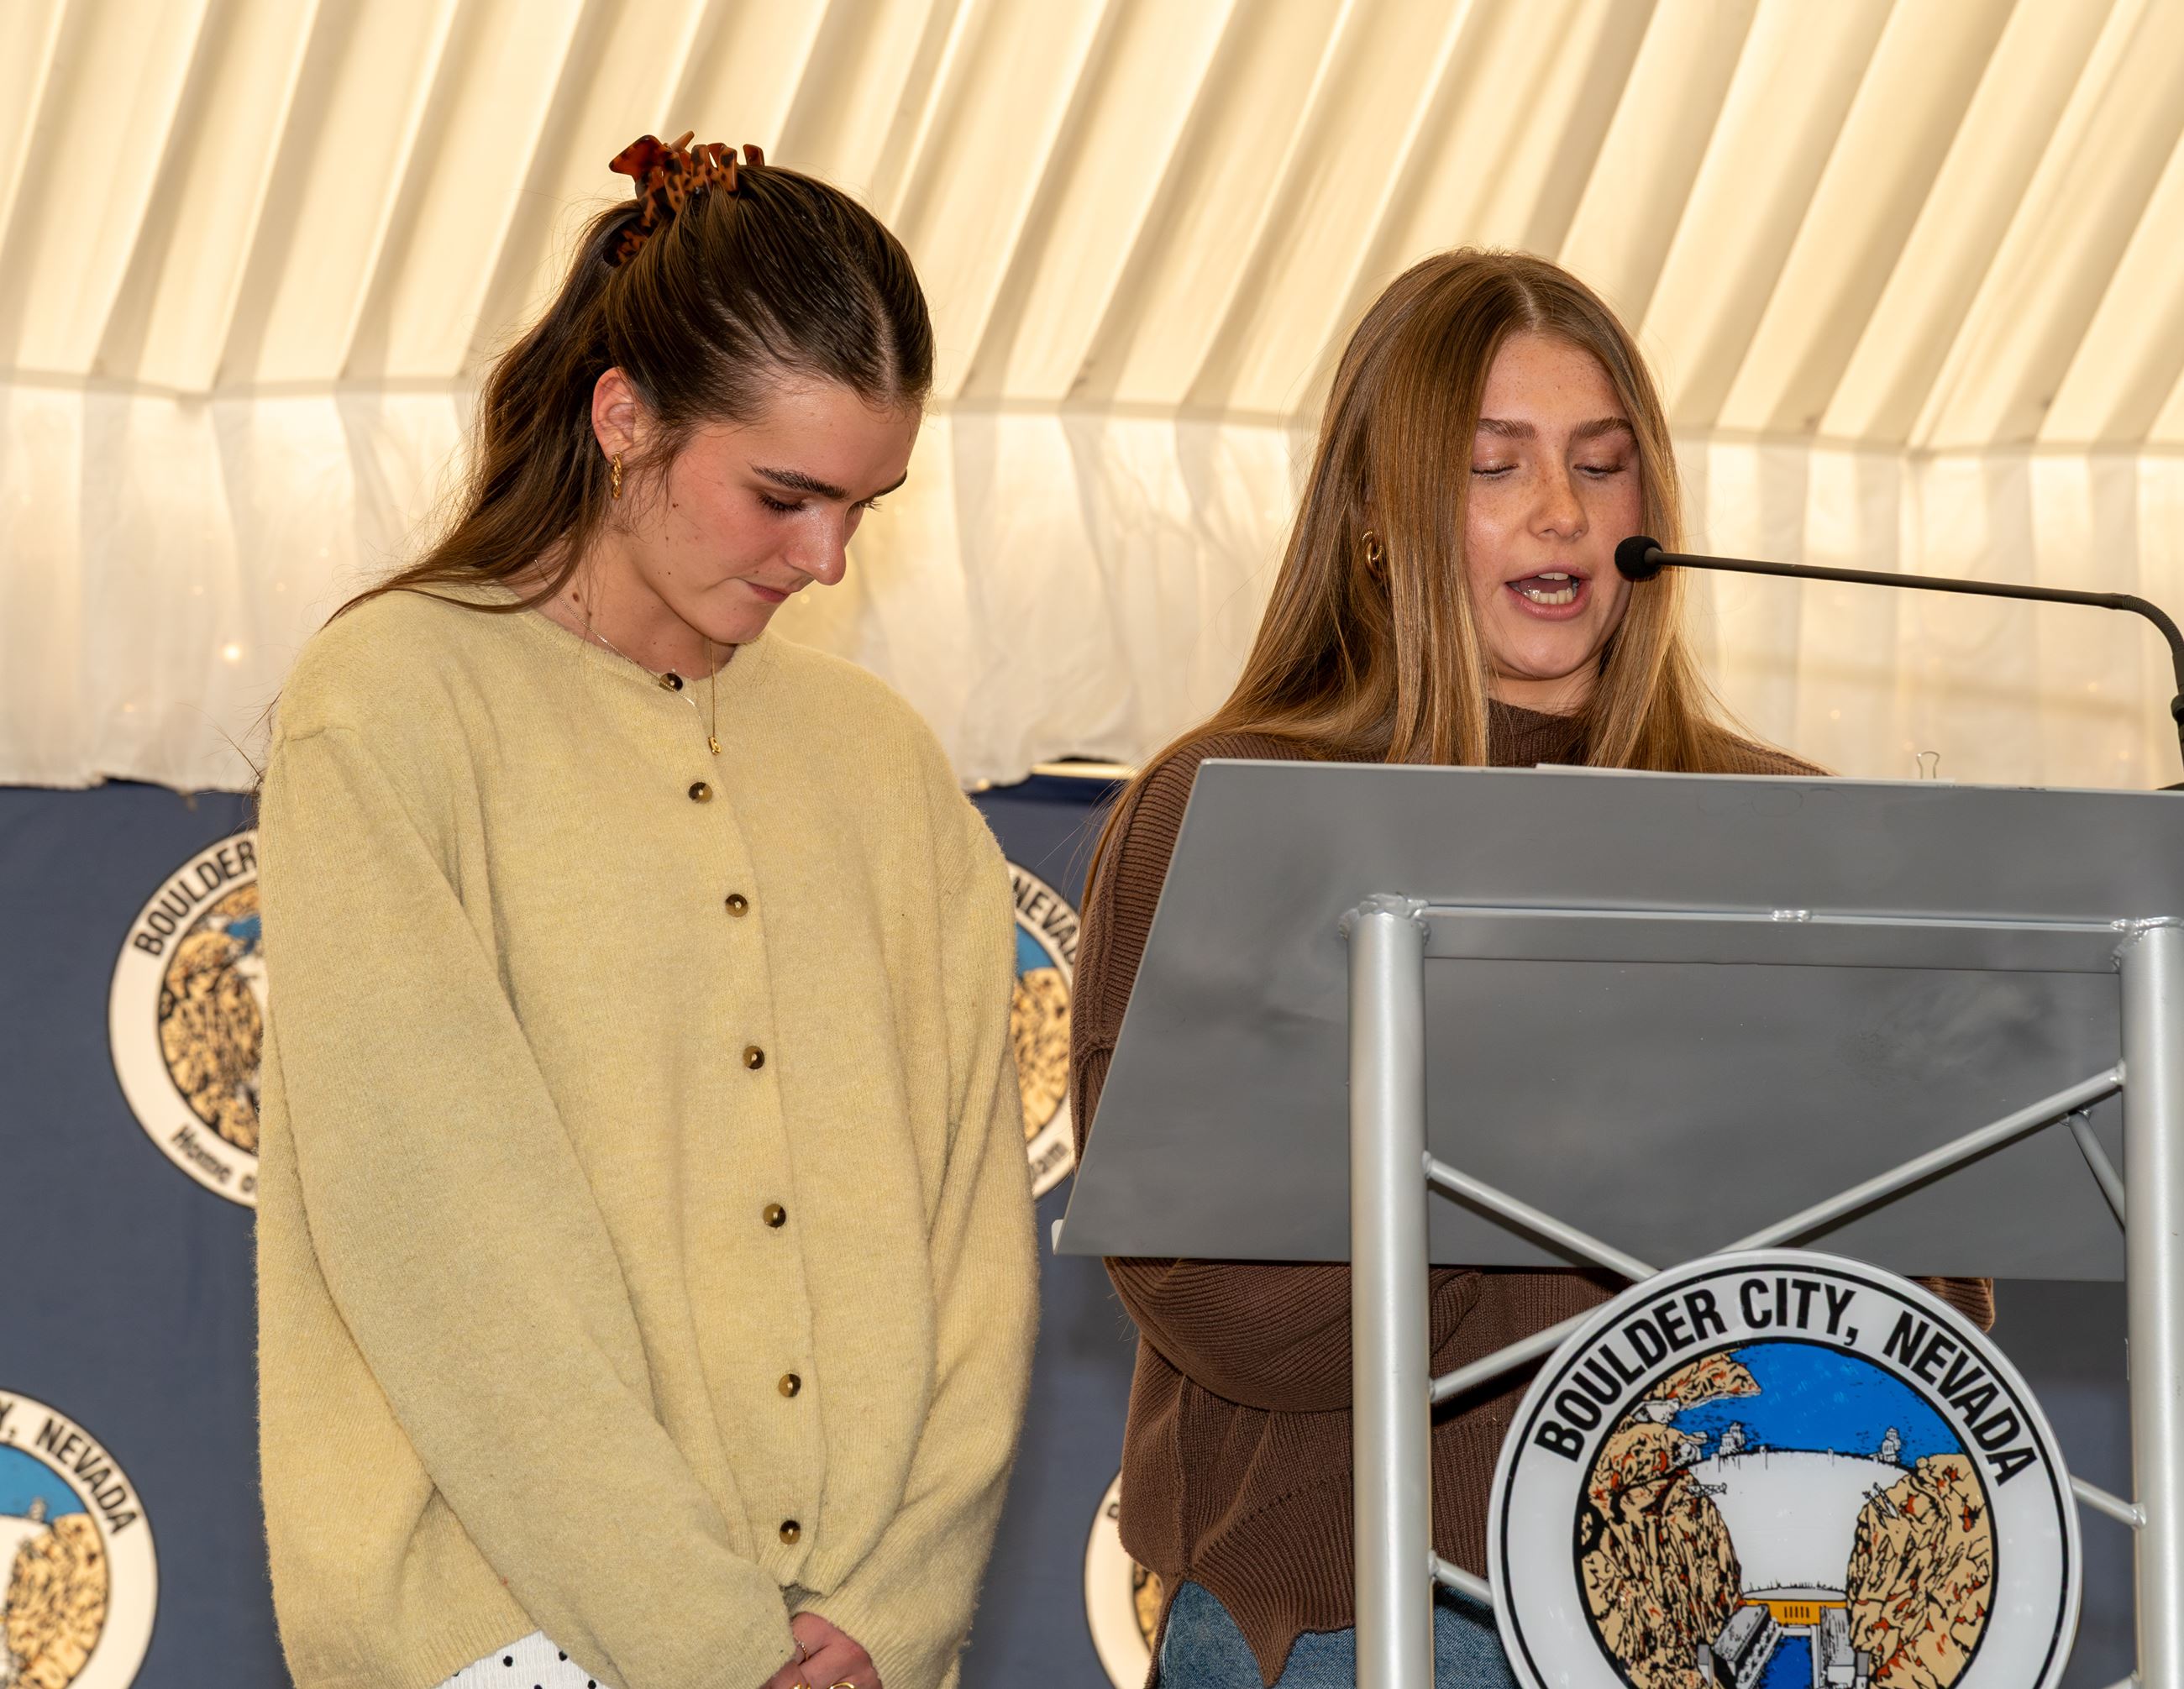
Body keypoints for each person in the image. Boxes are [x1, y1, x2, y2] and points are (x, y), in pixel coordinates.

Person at [1068, 248, 1992, 1688]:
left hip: (1737, 1626)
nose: (1563, 511)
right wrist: (1566, 1145)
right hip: (1370, 1614)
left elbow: (1923, 1283)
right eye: (1497, 467)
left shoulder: (1787, 828)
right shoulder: (1231, 808)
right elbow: (1222, 1291)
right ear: (1378, 513)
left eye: (1601, 464)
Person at [255, 134, 1037, 1689]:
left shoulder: (881, 762)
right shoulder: (394, 707)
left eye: (864, 507)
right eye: (783, 494)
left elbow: (976, 1239)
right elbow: (447, 1247)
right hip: (501, 1636)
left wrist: (896, 1609)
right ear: (626, 418)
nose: (823, 558)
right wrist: (702, 1644)